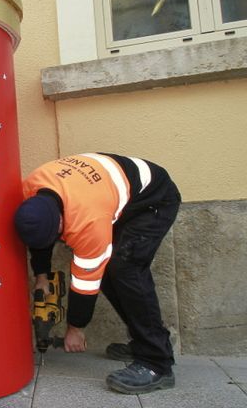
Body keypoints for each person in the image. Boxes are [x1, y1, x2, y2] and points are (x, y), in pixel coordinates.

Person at [14, 153, 181, 395]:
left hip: (154, 200)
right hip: (115, 196)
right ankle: (143, 342)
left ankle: (157, 363)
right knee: (113, 270)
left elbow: (86, 281)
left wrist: (75, 328)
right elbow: (40, 237)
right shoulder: (31, 192)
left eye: (57, 235)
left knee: (126, 269)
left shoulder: (87, 220)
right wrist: (41, 277)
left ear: (61, 221)